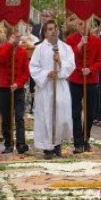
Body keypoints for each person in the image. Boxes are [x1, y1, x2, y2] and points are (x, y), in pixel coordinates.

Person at [30, 19, 76, 159]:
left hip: (60, 86)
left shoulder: (65, 48)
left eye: (54, 28)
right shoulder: (39, 48)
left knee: (61, 116)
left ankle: (57, 144)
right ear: (44, 32)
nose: (53, 31)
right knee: (46, 116)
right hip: (46, 88)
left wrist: (60, 63)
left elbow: (71, 65)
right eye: (49, 29)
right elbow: (33, 67)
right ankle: (47, 148)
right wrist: (46, 73)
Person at [66, 19, 101, 154]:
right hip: (76, 79)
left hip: (91, 79)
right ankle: (77, 142)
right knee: (75, 111)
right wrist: (79, 46)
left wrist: (91, 69)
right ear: (76, 25)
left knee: (90, 111)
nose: (82, 27)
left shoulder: (97, 40)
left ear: (89, 24)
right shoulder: (71, 39)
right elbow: (68, 58)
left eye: (85, 24)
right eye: (80, 24)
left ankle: (85, 137)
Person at [0, 26, 30, 154]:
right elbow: (0, 59)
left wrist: (18, 83)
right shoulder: (1, 48)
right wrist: (9, 45)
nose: (17, 39)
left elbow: (26, 73)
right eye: (15, 36)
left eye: (19, 37)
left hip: (18, 88)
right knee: (7, 116)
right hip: (5, 87)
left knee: (19, 116)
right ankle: (8, 143)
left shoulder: (23, 52)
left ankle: (21, 143)